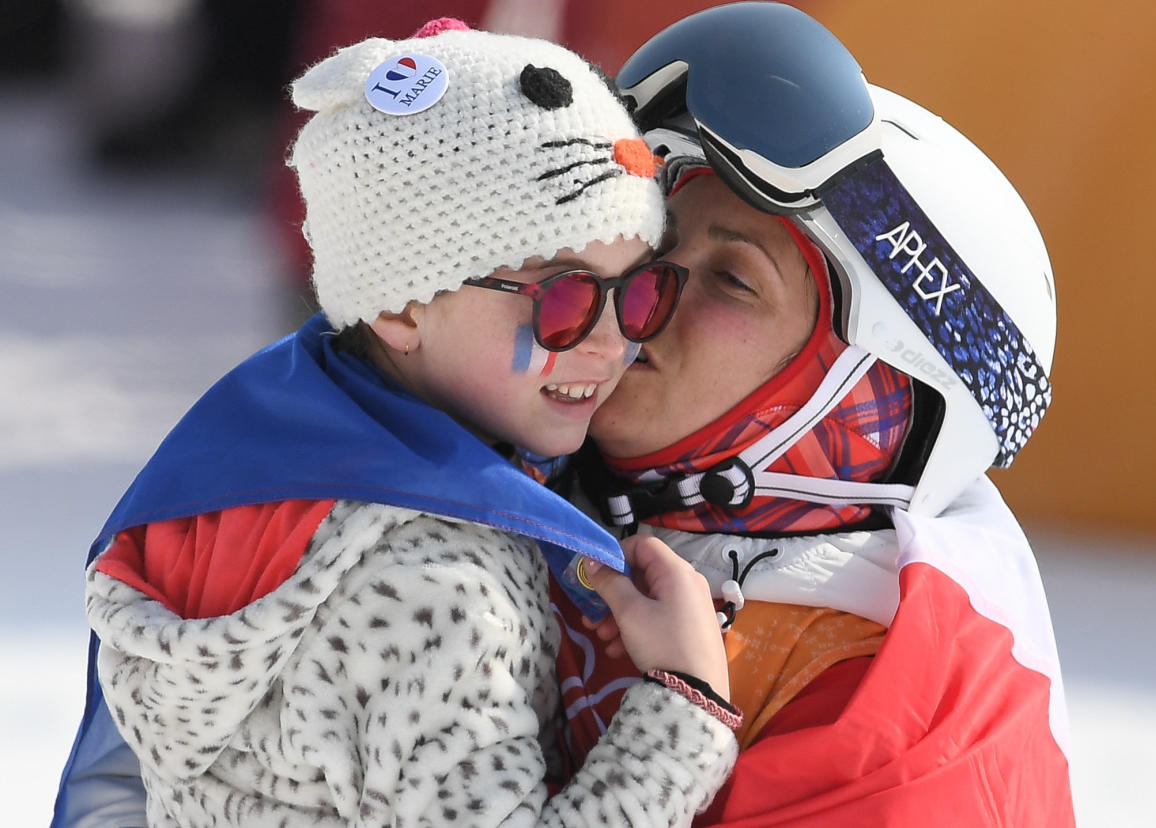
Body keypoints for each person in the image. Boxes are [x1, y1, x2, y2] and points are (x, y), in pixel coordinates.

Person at [53, 19, 739, 828]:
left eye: (638, 291)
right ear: (403, 308)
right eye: (563, 296)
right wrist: (685, 706)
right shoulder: (442, 592)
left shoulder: (251, 473)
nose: (614, 340)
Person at [550, 3, 1076, 826]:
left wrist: (678, 714)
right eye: (656, 246)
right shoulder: (518, 460)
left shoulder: (897, 735)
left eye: (733, 278)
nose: (639, 294)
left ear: (870, 393)